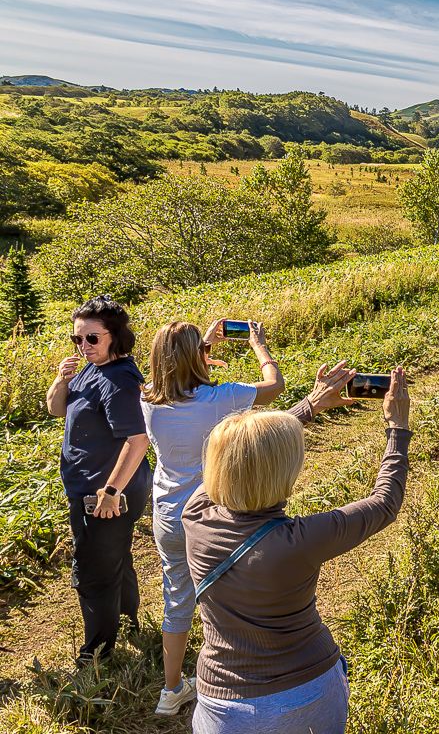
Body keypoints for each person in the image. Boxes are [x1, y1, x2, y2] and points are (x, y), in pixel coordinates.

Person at [183, 366, 410, 733]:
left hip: (221, 703)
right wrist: (397, 429)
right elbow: (384, 503)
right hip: (305, 691)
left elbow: (240, 453)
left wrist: (310, 405)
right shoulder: (299, 540)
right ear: (284, 472)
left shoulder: (195, 515)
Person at [140, 319, 287, 715]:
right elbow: (274, 386)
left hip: (168, 513)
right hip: (210, 514)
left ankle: (171, 690)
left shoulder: (148, 400)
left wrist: (203, 343)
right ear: (195, 359)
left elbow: (178, 371)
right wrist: (259, 346)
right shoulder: (220, 398)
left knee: (177, 598)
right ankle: (234, 673)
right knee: (227, 596)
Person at [45, 295, 151, 665]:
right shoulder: (91, 369)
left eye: (92, 338)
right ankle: (128, 619)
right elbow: (56, 409)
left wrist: (111, 491)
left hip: (105, 493)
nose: (83, 346)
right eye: (77, 338)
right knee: (115, 556)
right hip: (95, 488)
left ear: (115, 336)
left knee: (93, 571)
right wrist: (61, 379)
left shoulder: (118, 380)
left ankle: (97, 652)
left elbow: (138, 440)